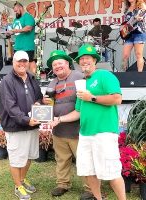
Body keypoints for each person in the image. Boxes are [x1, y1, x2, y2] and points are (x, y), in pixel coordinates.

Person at [52, 44, 126, 200]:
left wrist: (91, 97)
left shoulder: (105, 76)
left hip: (104, 132)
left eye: (87, 58)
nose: (84, 61)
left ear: (94, 60)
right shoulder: (83, 83)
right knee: (88, 171)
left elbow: (117, 98)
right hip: (85, 134)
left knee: (111, 172)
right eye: (82, 59)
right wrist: (59, 119)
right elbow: (78, 112)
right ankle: (98, 198)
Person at [43, 50, 94, 199]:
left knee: (84, 159)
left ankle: (90, 188)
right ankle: (62, 184)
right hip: (59, 130)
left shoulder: (80, 77)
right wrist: (44, 103)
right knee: (61, 159)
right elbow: (49, 106)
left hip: (79, 129)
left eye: (60, 63)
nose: (57, 66)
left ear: (67, 63)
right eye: (54, 65)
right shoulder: (52, 83)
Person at [0, 50, 43, 200]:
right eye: (19, 61)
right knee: (17, 159)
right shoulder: (7, 81)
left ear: (28, 62)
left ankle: (22, 181)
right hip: (16, 126)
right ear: (13, 62)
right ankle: (18, 186)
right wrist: (26, 120)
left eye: (25, 61)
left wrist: (40, 103)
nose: (22, 64)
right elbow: (10, 107)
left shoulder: (31, 77)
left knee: (29, 156)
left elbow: (38, 97)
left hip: (32, 124)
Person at [122, 0, 146, 72]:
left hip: (139, 32)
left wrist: (142, 19)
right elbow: (126, 21)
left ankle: (140, 75)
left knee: (138, 54)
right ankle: (123, 73)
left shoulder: (142, 5)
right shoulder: (127, 7)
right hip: (129, 34)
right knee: (125, 55)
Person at [7, 2, 36, 75]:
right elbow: (15, 31)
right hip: (17, 46)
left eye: (16, 10)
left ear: (20, 8)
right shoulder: (16, 19)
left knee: (29, 63)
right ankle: (20, 80)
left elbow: (28, 28)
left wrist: (15, 30)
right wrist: (10, 32)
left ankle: (31, 79)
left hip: (27, 46)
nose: (15, 12)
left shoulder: (28, 17)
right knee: (18, 65)